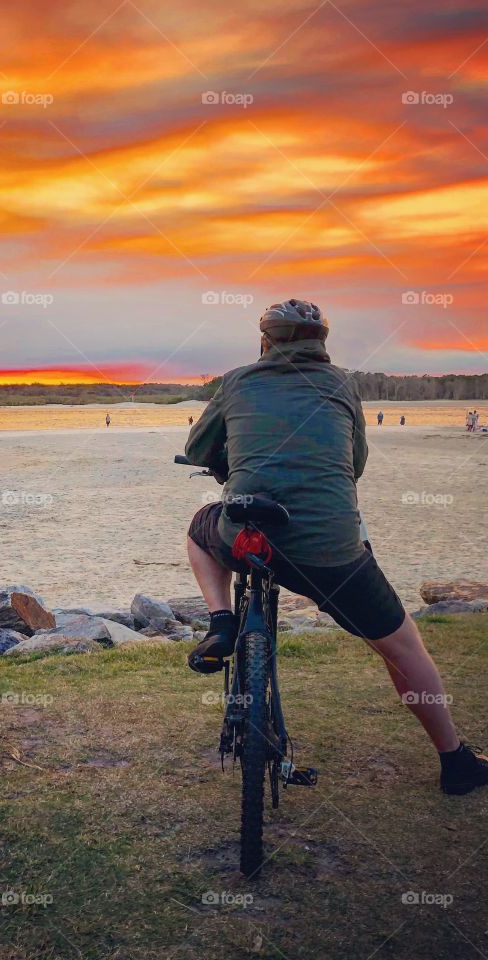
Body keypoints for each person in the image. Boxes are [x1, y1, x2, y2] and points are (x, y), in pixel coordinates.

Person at [183, 298, 487, 795]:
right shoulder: (342, 384)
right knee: (403, 647)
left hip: (246, 535)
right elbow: (356, 463)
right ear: (321, 344)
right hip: (331, 552)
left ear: (265, 341)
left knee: (200, 529)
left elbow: (198, 449)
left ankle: (221, 622)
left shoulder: (238, 380)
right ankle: (455, 762)